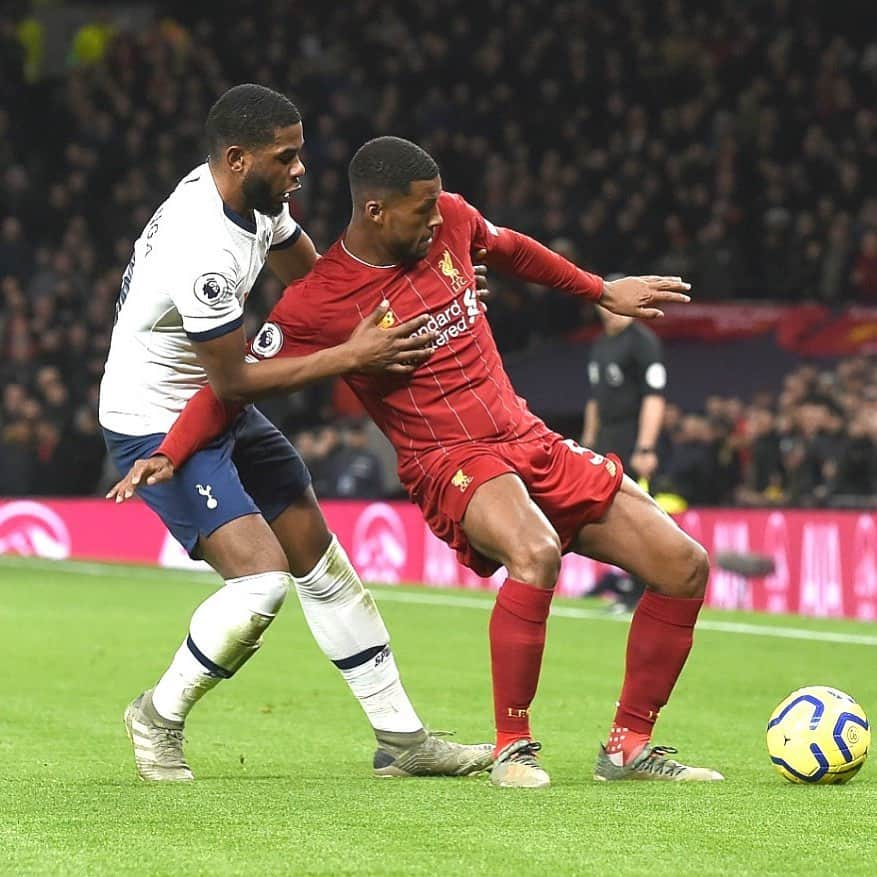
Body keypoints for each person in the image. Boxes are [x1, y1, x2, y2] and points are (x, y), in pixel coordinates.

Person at [111, 136, 722, 789]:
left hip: (523, 434)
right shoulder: (319, 302)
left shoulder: (450, 221)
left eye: (437, 206)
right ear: (375, 211)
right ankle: (514, 748)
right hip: (447, 457)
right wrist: (171, 451)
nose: (437, 218)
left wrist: (599, 290)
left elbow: (510, 246)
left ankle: (628, 747)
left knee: (683, 564)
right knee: (535, 550)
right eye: (420, 210)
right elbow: (229, 386)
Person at [99, 87, 492, 782]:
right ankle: (155, 716)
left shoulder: (255, 202)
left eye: (300, 151)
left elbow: (318, 282)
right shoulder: (203, 246)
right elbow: (235, 382)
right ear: (236, 156)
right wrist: (353, 355)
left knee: (322, 563)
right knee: (261, 583)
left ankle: (402, 738)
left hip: (215, 405)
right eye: (287, 156)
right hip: (158, 419)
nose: (301, 169)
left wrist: (424, 300)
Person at [581, 303, 667, 610]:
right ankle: (626, 583)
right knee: (611, 517)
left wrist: (645, 447)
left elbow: (654, 397)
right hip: (607, 438)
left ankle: (643, 590)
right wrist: (588, 442)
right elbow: (594, 399)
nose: (611, 312)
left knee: (640, 517)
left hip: (633, 436)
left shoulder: (642, 342)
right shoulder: (601, 344)